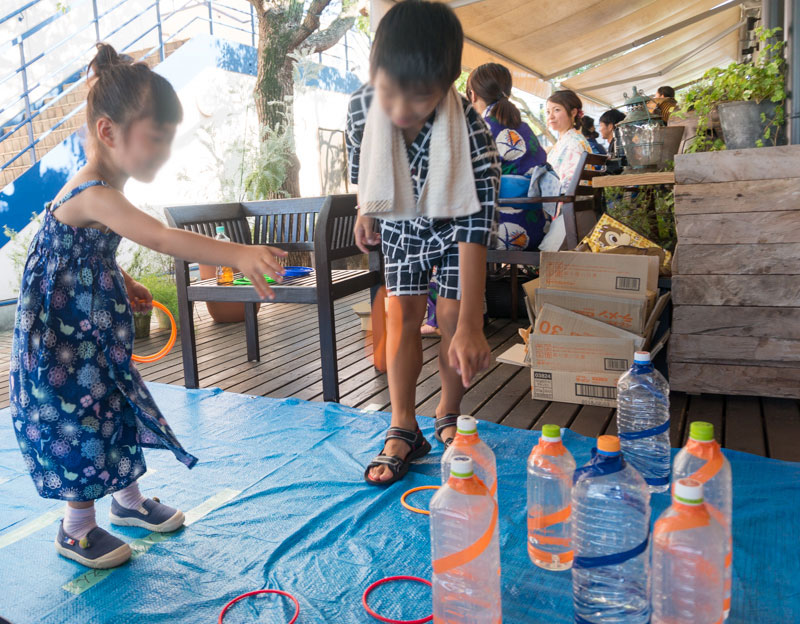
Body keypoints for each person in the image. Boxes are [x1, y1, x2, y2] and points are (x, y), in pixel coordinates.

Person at [8, 44, 287, 569]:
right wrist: (238, 253)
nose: (164, 151)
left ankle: (128, 501)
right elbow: (160, 237)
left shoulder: (101, 192)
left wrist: (125, 278)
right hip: (60, 346)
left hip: (87, 333)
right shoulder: (94, 192)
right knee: (80, 422)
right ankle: (75, 528)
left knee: (117, 404)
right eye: (155, 138)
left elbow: (80, 251)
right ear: (109, 132)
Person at [347, 0, 501, 485]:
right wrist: (365, 209)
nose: (400, 110)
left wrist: (472, 324)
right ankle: (403, 427)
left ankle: (448, 413)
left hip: (455, 228)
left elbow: (475, 227)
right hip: (400, 218)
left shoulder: (473, 132)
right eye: (389, 91)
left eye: (420, 98)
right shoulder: (360, 106)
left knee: (453, 318)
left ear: (450, 83)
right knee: (402, 315)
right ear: (374, 70)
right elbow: (362, 167)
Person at [466, 62, 550, 251]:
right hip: (536, 228)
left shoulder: (479, 128)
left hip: (498, 230)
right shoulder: (525, 128)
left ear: (473, 94)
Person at [546, 89, 593, 195]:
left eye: (556, 110)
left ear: (573, 112)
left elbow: (569, 186)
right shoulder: (572, 139)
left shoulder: (574, 143)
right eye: (548, 112)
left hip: (564, 202)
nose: (550, 116)